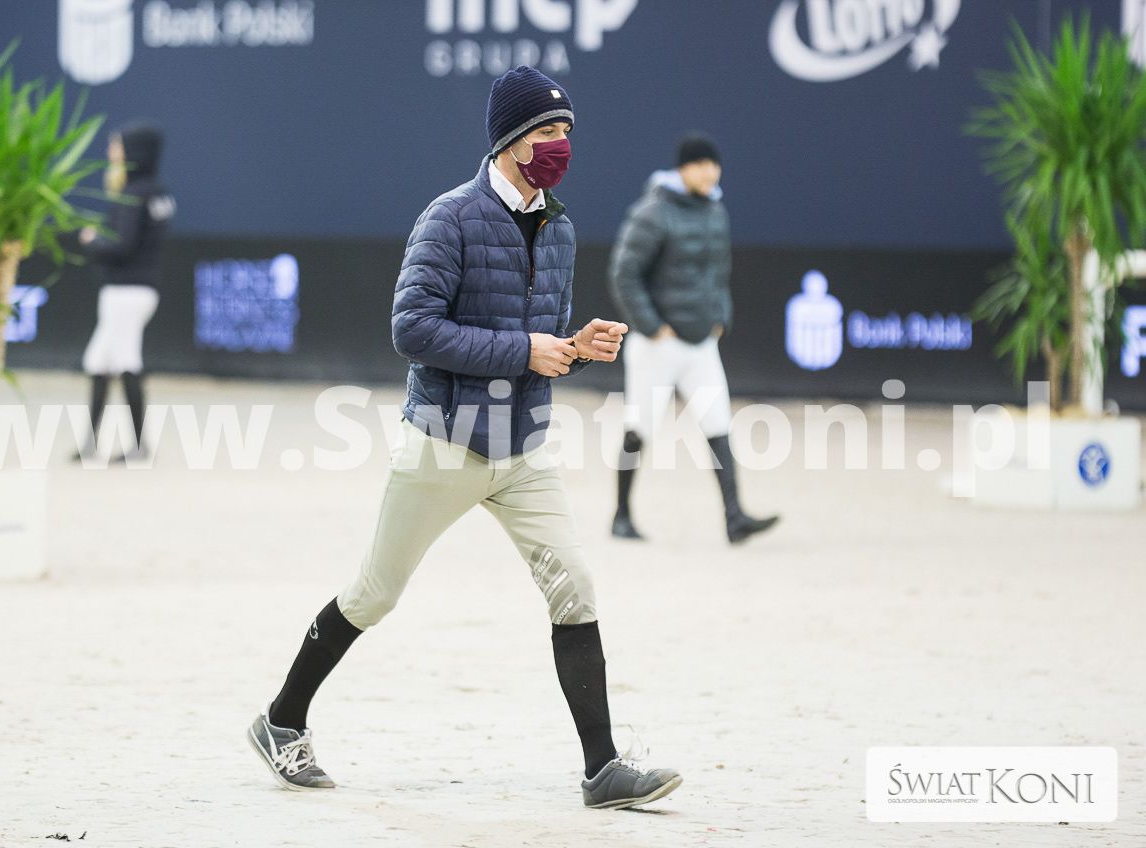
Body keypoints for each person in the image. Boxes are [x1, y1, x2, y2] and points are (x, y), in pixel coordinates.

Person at [249, 66, 683, 810]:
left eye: (567, 131)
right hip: (443, 443)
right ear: (511, 140)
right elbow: (411, 329)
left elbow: (540, 343)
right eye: (549, 131)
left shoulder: (561, 226)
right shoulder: (448, 218)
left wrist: (575, 348)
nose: (562, 144)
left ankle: (603, 767)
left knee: (573, 586)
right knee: (374, 593)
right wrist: (525, 350)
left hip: (524, 448)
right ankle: (281, 720)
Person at [609, 133, 779, 544]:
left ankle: (735, 517)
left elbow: (719, 273)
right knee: (641, 426)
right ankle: (621, 515)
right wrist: (653, 327)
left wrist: (721, 316)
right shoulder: (652, 212)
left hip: (701, 342)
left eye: (714, 164)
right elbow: (624, 273)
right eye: (701, 164)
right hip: (657, 346)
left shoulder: (715, 211)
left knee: (718, 422)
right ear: (683, 168)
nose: (710, 172)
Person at [76, 123, 175, 463]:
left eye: (116, 146)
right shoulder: (158, 193)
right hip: (138, 290)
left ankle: (139, 446)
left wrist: (93, 240)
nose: (111, 152)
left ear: (134, 151)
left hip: (126, 292)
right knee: (98, 360)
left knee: (126, 360)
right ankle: (90, 444)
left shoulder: (134, 194)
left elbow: (122, 247)